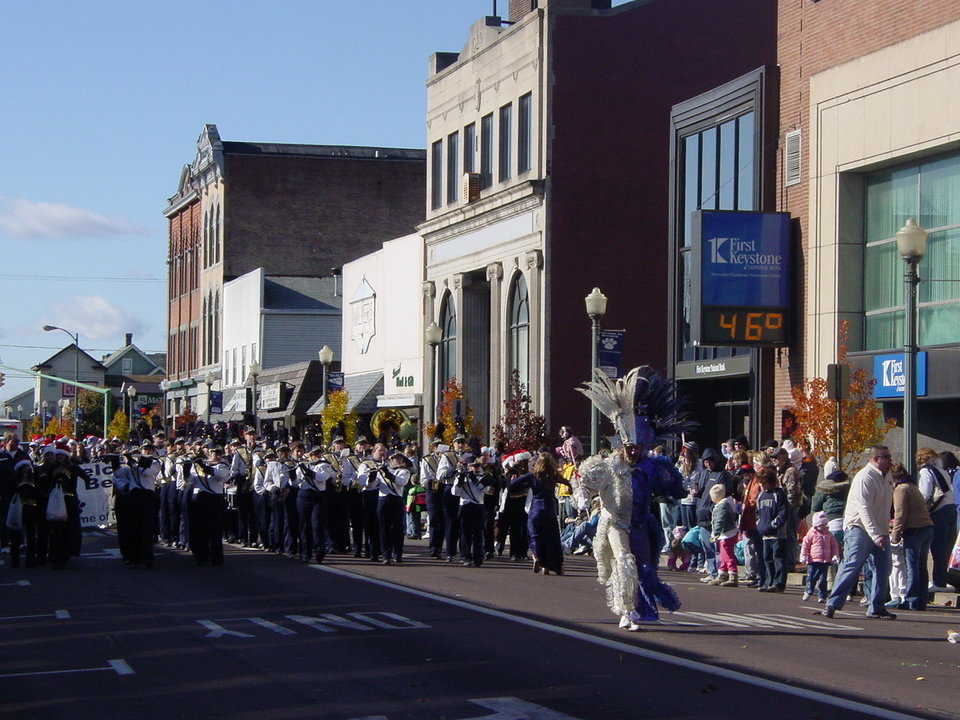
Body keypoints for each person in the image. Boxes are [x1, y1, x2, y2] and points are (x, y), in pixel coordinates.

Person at [576, 365, 692, 631]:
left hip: (640, 523)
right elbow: (583, 481)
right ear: (621, 445)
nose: (633, 451)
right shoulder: (607, 465)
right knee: (625, 563)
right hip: (616, 523)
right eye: (629, 447)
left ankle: (645, 609)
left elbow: (675, 488)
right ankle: (625, 611)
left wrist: (678, 484)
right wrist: (582, 496)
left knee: (645, 567)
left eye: (638, 447)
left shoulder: (651, 467)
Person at [823, 446, 896, 620]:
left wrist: (886, 527)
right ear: (875, 459)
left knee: (884, 567)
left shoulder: (887, 477)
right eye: (886, 457)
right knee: (852, 565)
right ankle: (832, 604)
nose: (890, 460)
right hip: (859, 528)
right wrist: (875, 533)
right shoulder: (865, 477)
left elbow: (886, 505)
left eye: (890, 456)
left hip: (880, 529)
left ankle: (876, 606)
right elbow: (864, 508)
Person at [510, 451, 569, 575]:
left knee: (535, 534)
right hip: (550, 509)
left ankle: (536, 556)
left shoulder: (533, 475)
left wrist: (514, 480)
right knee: (551, 537)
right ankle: (554, 565)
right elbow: (567, 482)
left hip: (536, 508)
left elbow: (514, 484)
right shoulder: (554, 475)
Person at [890, 466, 933, 610]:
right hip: (927, 527)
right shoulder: (913, 486)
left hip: (914, 530)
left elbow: (900, 515)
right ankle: (921, 599)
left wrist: (895, 535)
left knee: (911, 566)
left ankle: (911, 600)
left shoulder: (901, 489)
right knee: (921, 566)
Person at [916, 447, 957, 593]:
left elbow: (925, 494)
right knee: (946, 548)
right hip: (950, 508)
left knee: (937, 548)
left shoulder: (926, 471)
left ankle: (938, 582)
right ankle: (943, 580)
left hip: (938, 511)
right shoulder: (942, 469)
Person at [452, 453, 491, 567]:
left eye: (477, 465)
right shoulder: (461, 476)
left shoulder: (483, 476)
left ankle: (478, 557)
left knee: (478, 533)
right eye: (473, 466)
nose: (475, 468)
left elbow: (485, 489)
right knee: (465, 533)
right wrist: (460, 481)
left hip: (478, 506)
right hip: (465, 506)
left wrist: (474, 479)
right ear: (468, 466)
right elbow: (455, 493)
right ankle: (466, 556)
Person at [755, 466, 789, 592]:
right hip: (765, 533)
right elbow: (757, 512)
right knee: (767, 558)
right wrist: (760, 525)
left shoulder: (778, 494)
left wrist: (773, 524)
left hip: (777, 534)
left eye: (764, 483)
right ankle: (768, 581)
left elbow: (783, 513)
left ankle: (778, 583)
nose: (763, 486)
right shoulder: (761, 495)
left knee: (778, 557)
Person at [800, 512, 840, 602]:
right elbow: (805, 545)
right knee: (811, 577)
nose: (824, 527)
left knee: (823, 579)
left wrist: (835, 555)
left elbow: (834, 545)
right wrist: (803, 555)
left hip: (825, 560)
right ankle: (808, 591)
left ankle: (822, 596)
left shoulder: (829, 534)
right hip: (813, 560)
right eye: (821, 525)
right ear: (816, 525)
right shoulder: (811, 534)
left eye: (825, 524)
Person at [708, 483, 740, 586]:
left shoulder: (722, 506)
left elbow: (719, 521)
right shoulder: (726, 503)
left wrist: (715, 534)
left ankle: (733, 575)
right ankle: (723, 573)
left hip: (726, 534)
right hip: (726, 533)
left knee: (727, 555)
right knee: (723, 555)